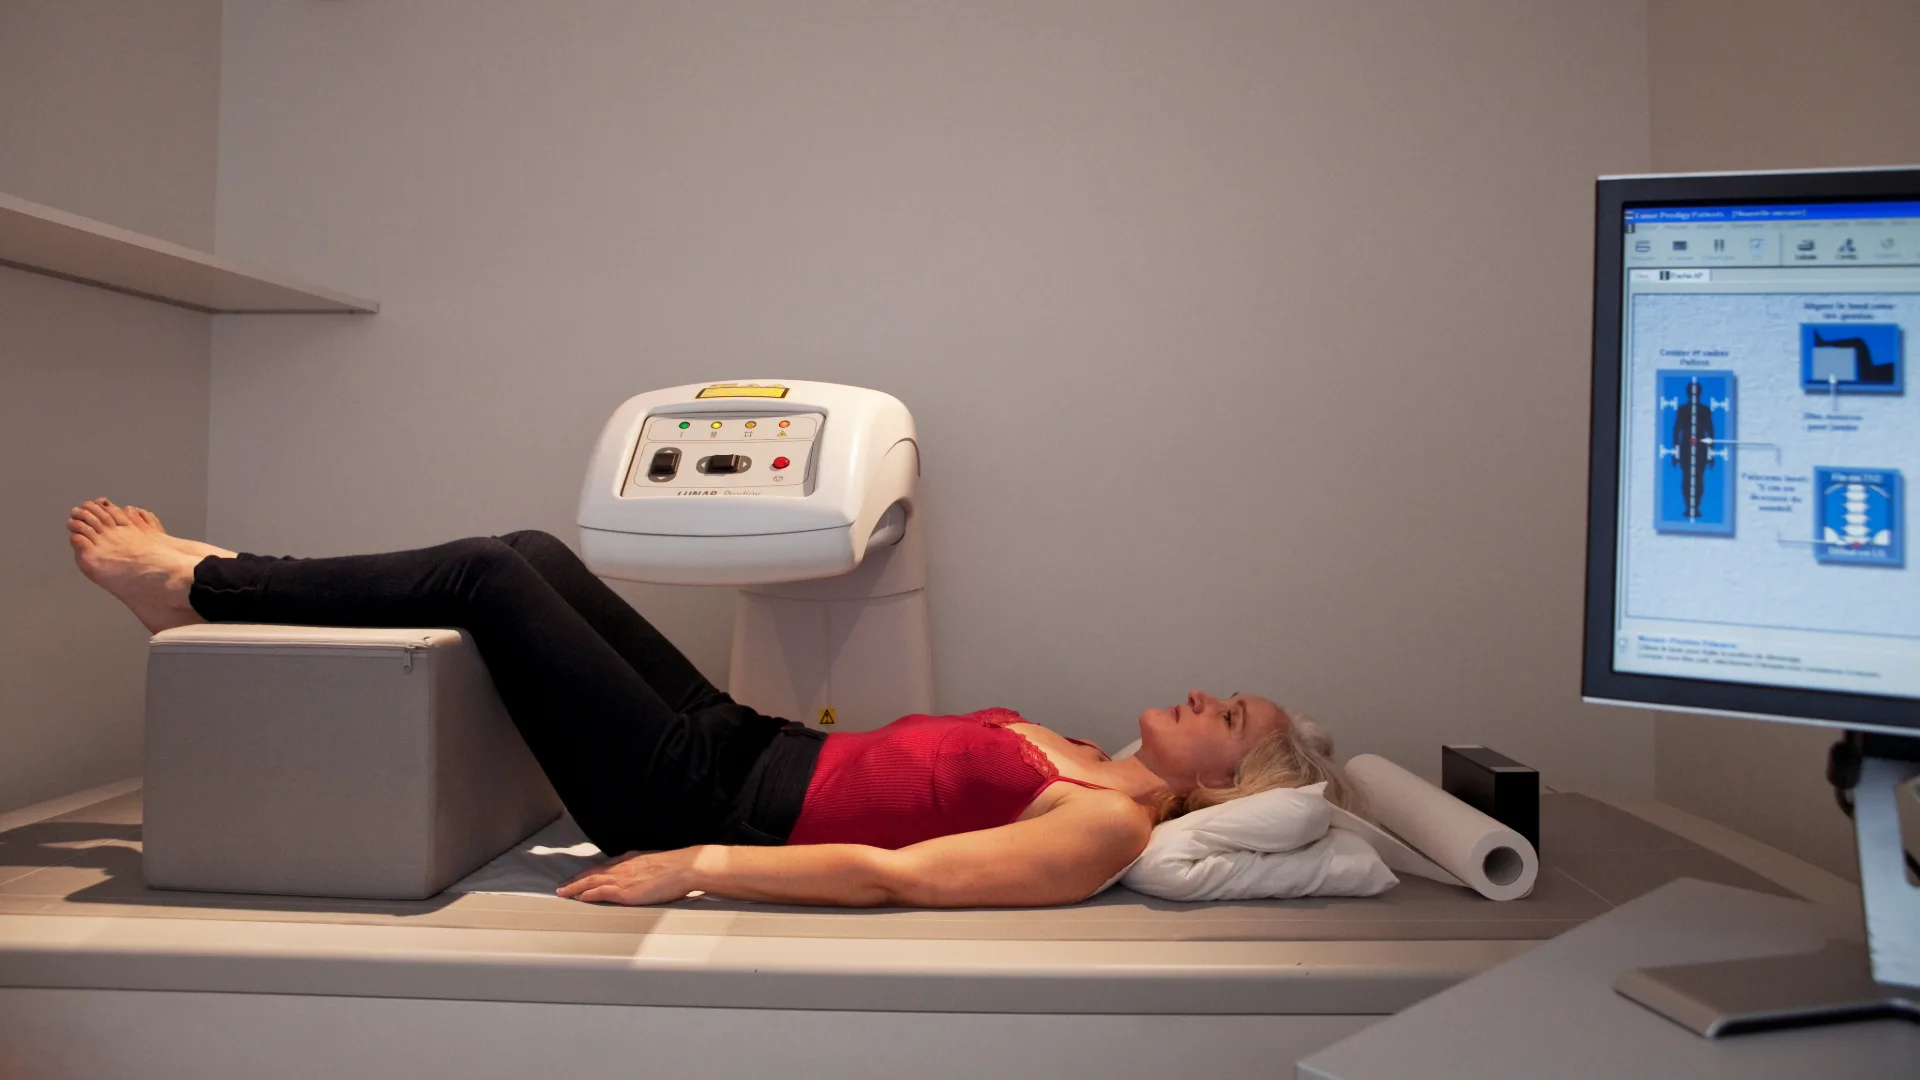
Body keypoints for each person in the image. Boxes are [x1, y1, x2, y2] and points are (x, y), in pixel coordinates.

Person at [66, 497, 1355, 909]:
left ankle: (202, 583)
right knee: (530, 547)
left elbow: (896, 877)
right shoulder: (1078, 747)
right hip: (741, 739)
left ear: (1220, 787)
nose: (1204, 695)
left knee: (482, 581)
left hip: (696, 793)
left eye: (1227, 714)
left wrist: (691, 865)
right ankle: (196, 601)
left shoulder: (1105, 827)